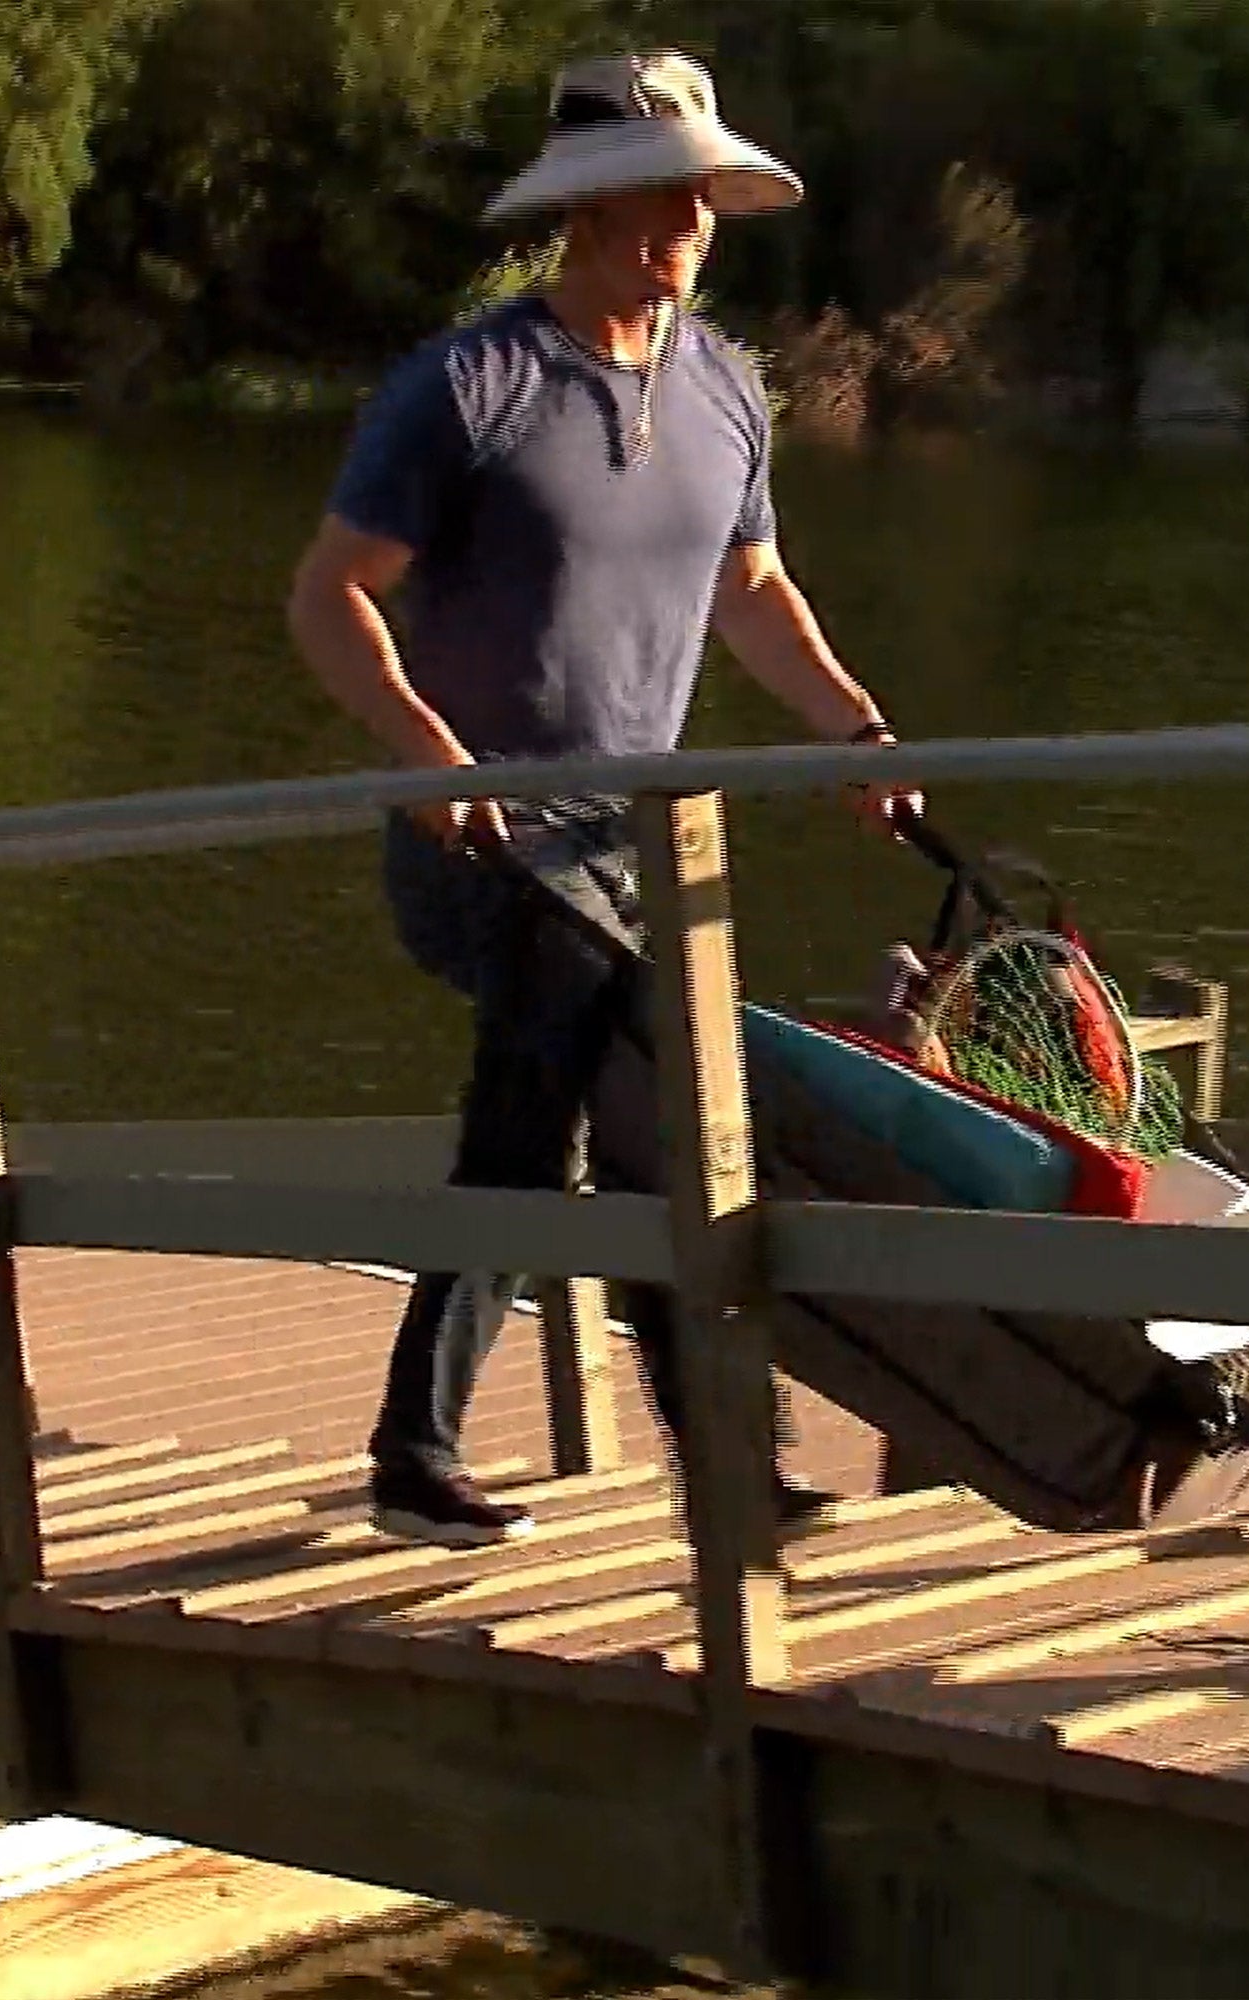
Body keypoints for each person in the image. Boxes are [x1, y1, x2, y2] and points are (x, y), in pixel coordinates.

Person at [287, 50, 921, 1547]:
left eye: (694, 204)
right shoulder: (466, 388)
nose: (676, 231)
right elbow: (327, 599)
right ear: (576, 214)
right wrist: (422, 749)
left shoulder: (723, 388)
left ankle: (705, 1474)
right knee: (602, 1073)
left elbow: (753, 591)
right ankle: (432, 1451)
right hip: (480, 832)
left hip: (632, 848)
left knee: (636, 1119)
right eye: (645, 203)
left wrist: (851, 726)